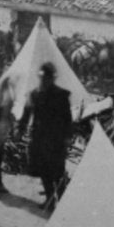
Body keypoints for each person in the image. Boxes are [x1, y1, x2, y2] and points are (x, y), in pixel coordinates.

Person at [18, 61, 73, 208]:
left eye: (48, 78)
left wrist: (68, 137)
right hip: (39, 138)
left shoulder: (61, 95)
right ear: (40, 77)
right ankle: (50, 200)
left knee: (58, 172)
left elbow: (67, 118)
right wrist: (20, 129)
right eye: (43, 78)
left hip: (56, 139)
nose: (45, 81)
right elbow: (26, 114)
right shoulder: (34, 94)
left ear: (52, 79)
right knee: (43, 170)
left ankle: (63, 203)